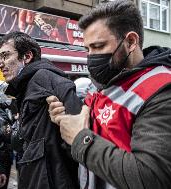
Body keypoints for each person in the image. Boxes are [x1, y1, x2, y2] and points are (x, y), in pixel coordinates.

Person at [47, 1, 171, 189]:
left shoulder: (161, 89)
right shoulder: (105, 86)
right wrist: (66, 124)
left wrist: (80, 138)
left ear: (130, 42)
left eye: (98, 46)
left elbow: (150, 177)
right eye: (87, 49)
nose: (91, 57)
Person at [0, 31, 82, 189]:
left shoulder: (46, 79)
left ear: (27, 57)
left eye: (5, 56)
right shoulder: (27, 86)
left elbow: (79, 138)